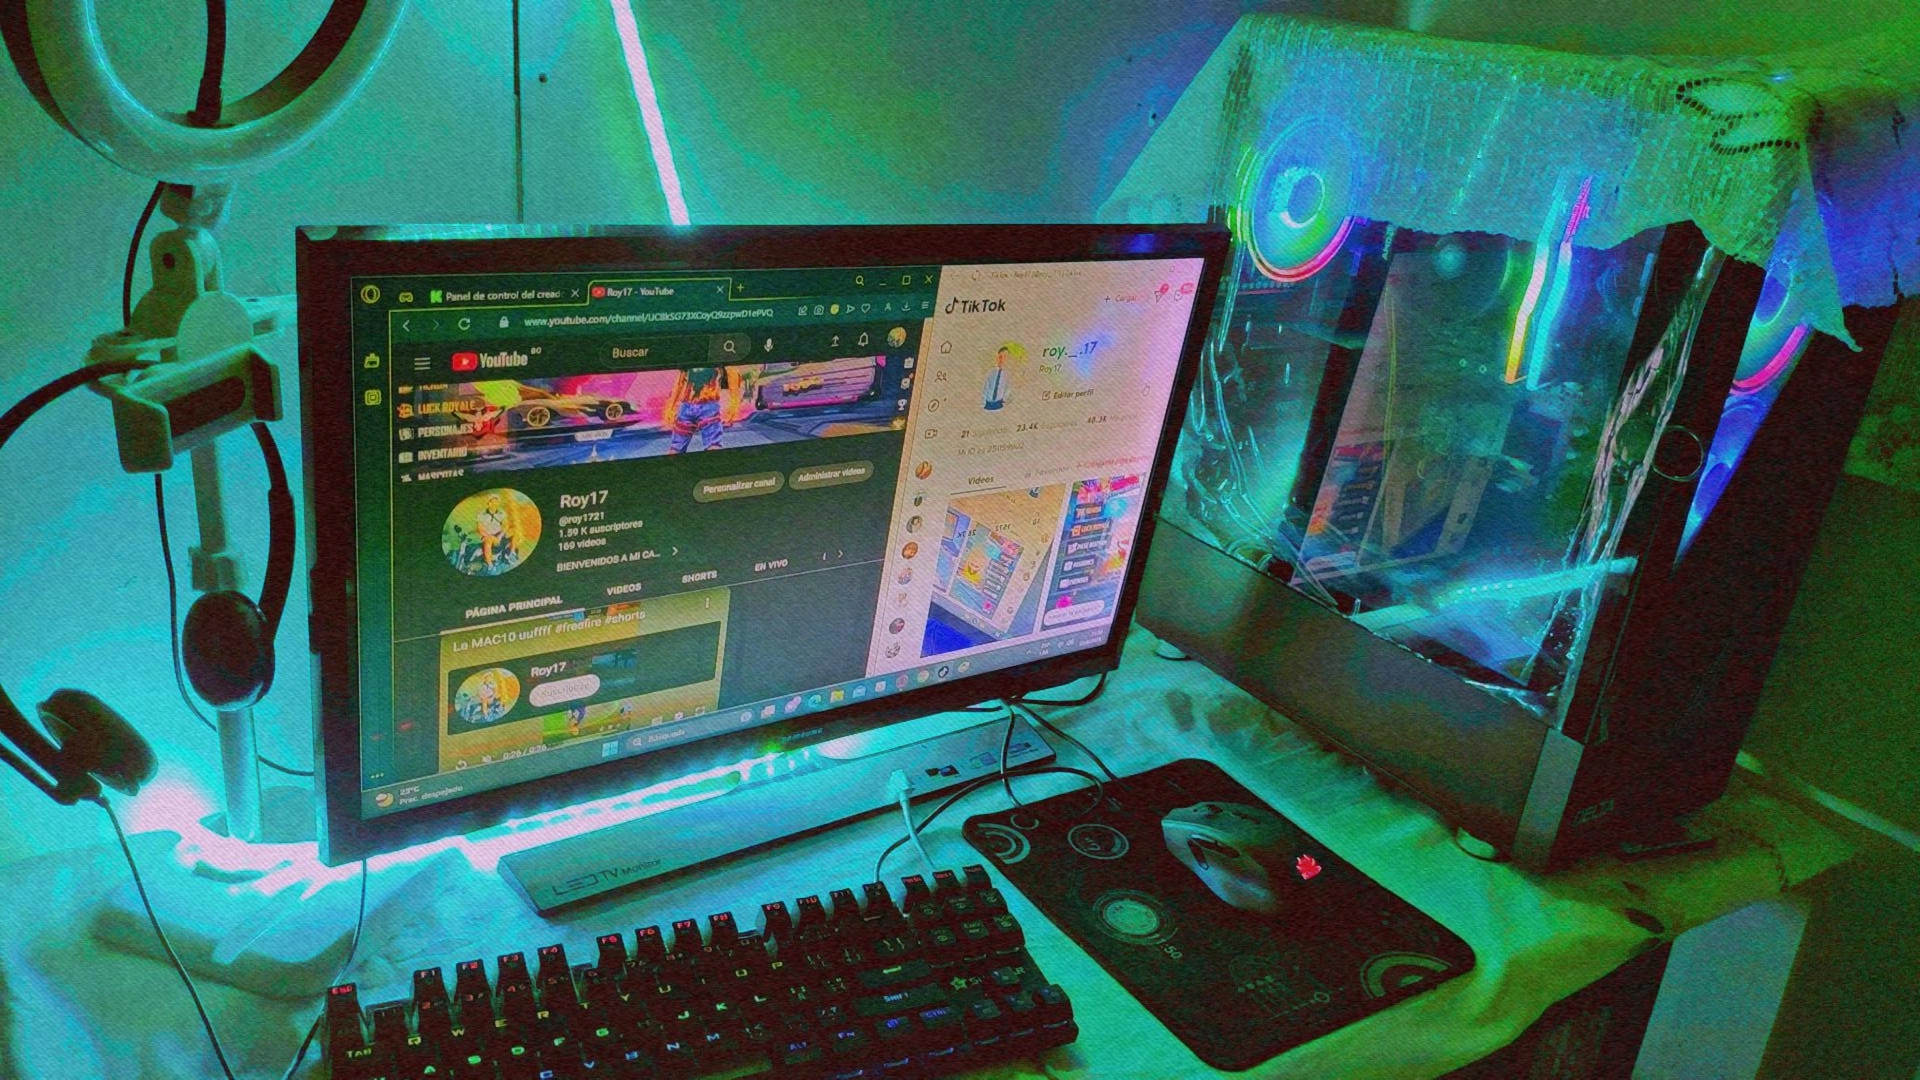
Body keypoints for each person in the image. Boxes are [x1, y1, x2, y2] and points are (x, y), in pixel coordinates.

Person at [664, 366, 739, 452]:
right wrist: (670, 406)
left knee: (677, 447)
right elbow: (680, 380)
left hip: (703, 405)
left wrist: (734, 404)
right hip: (694, 406)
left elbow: (731, 372)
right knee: (677, 448)